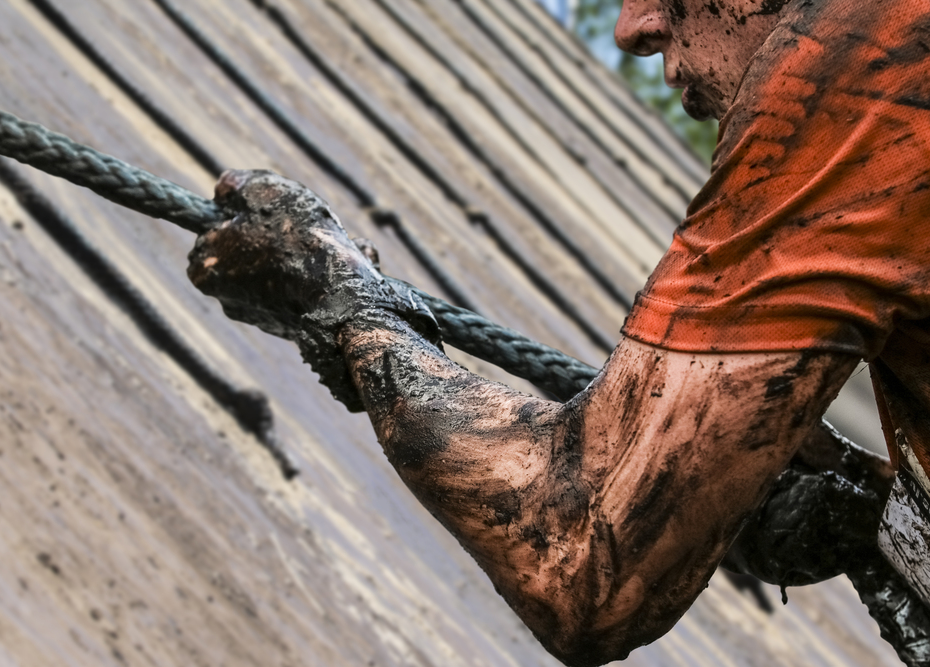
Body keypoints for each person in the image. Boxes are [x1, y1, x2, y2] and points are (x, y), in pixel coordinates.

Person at [186, 0, 930, 663]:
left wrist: (347, 308)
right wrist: (867, 512)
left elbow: (581, 559)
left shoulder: (868, 51)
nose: (633, 28)